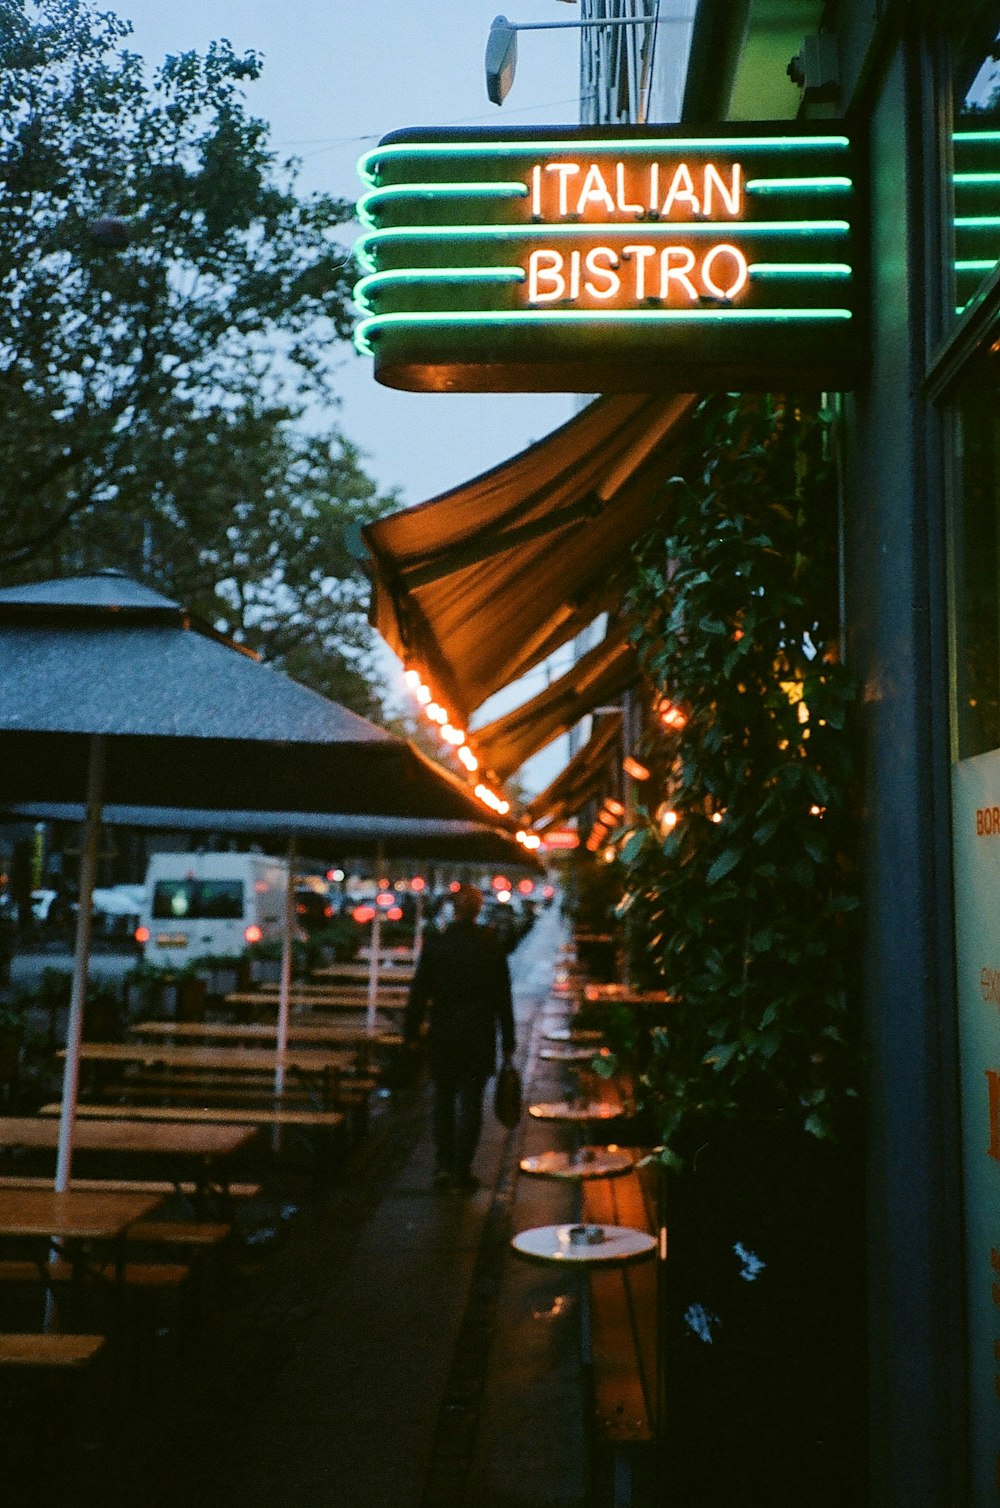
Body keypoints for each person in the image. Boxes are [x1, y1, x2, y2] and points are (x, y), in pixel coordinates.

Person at [404, 884, 515, 1192]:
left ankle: (442, 1165)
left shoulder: (437, 944)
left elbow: (419, 992)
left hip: (444, 1032)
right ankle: (462, 1170)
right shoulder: (490, 946)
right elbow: (502, 997)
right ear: (478, 910)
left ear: (454, 909)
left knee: (443, 1100)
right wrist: (508, 1041)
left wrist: (411, 1033)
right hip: (478, 1033)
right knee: (472, 1103)